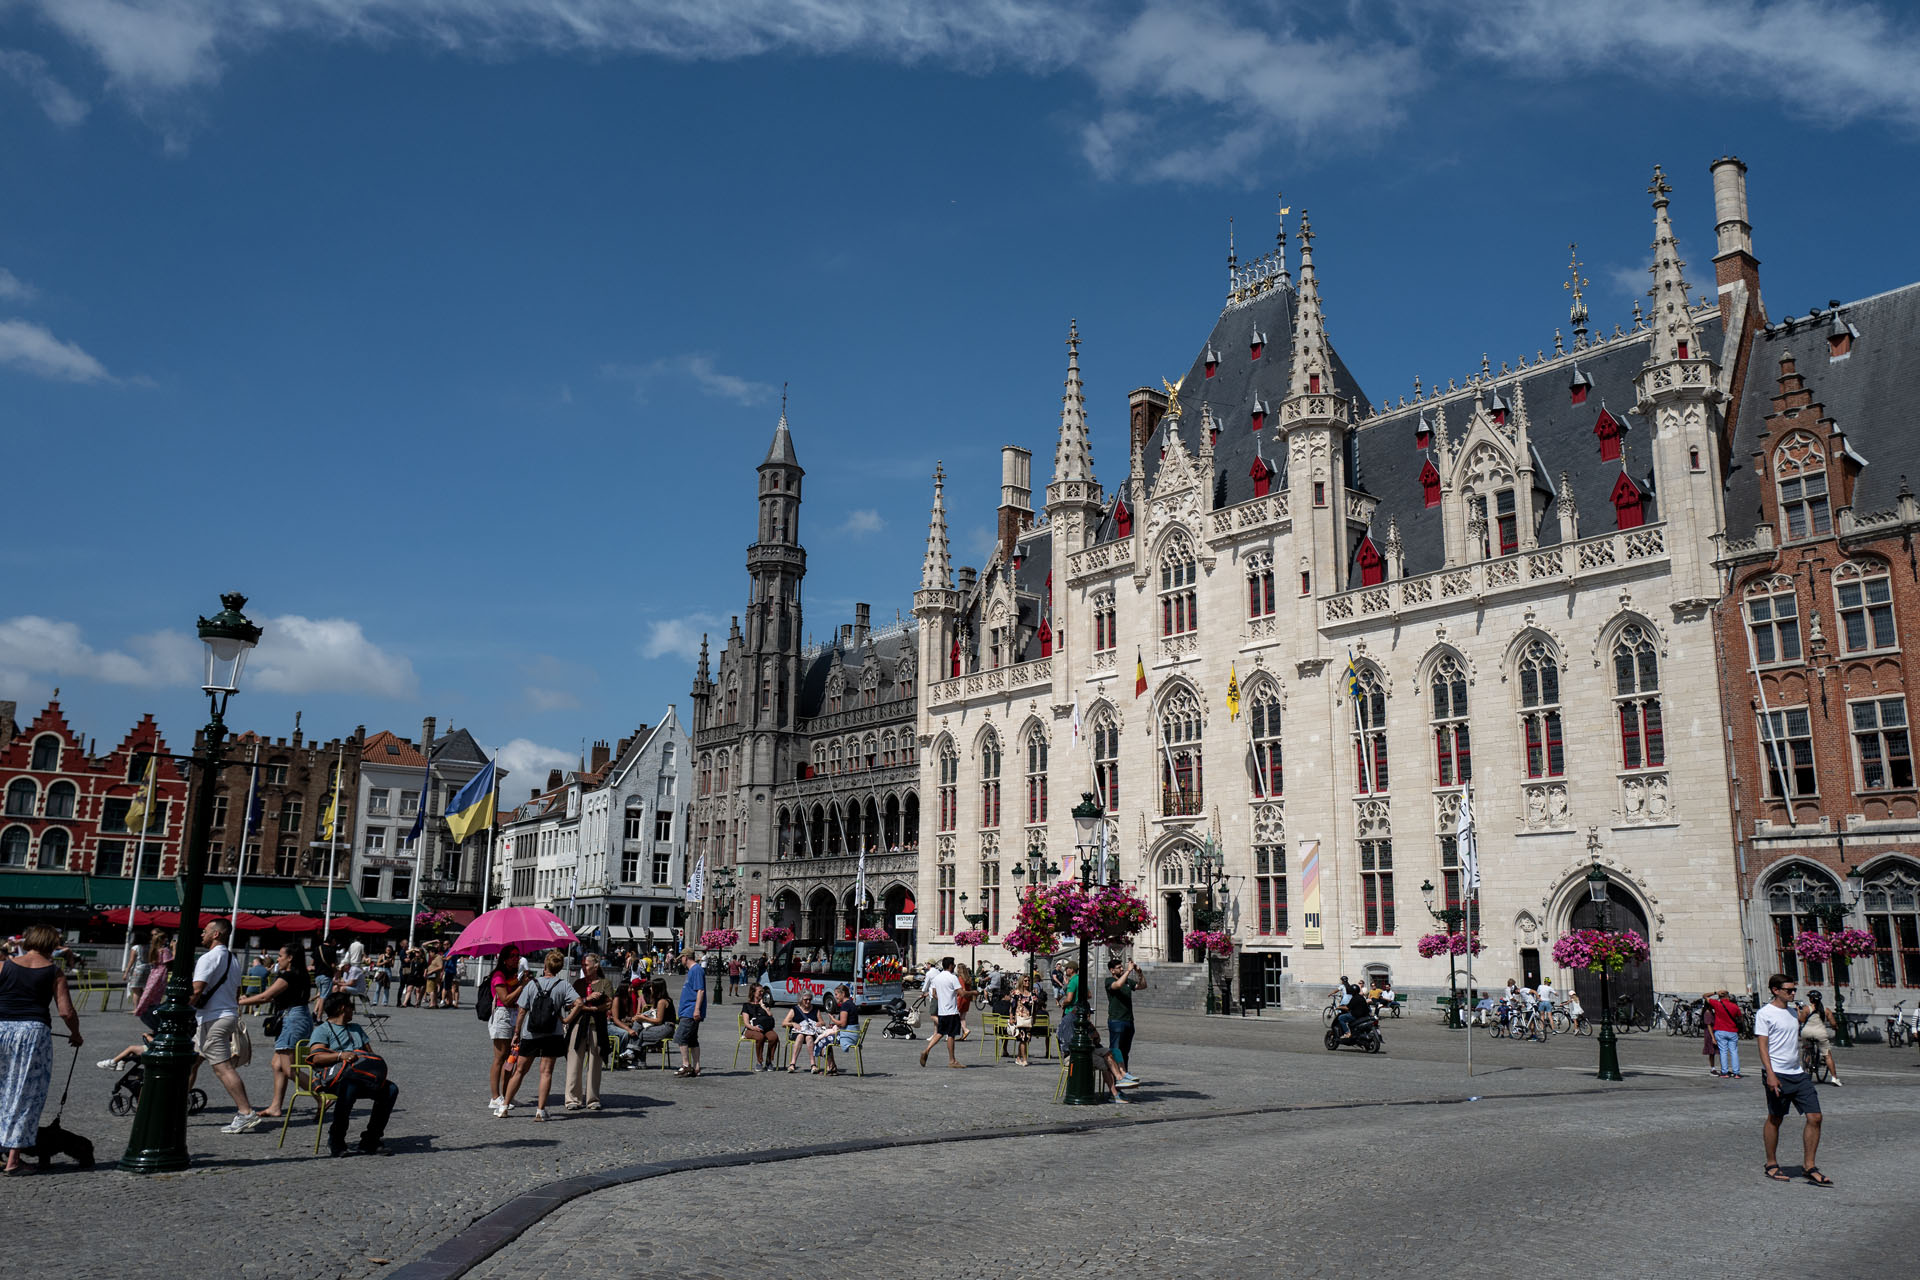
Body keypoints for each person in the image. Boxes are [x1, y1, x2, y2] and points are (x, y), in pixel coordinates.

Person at [0, 924, 82, 1175]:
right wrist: (76, 1034)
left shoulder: (4, 966)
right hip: (33, 1034)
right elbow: (66, 1012)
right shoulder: (53, 972)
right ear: (52, 944)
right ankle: (13, 1160)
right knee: (26, 1094)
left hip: (1, 1028)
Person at [192, 919, 266, 1133]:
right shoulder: (232, 959)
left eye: (205, 931)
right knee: (192, 1063)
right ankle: (177, 1106)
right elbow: (236, 991)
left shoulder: (208, 958)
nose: (202, 934)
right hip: (224, 1015)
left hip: (213, 1018)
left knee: (222, 1068)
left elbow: (196, 990)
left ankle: (246, 1112)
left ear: (216, 934)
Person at [1756, 973, 1830, 1186]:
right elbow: (1763, 1046)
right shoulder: (1764, 1014)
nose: (1793, 993)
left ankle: (1809, 1166)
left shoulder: (1792, 1012)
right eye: (1789, 990)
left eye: (1794, 989)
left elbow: (1797, 1030)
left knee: (1815, 1116)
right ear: (1775, 990)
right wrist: (1770, 1074)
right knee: (1775, 1118)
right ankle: (1771, 1163)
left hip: (1797, 1073)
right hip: (1777, 1073)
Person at [308, 993, 396, 1157]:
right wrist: (341, 1055)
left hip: (360, 1077)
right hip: (335, 1079)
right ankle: (336, 1138)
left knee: (390, 1089)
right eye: (351, 1006)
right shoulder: (322, 1030)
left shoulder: (356, 1028)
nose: (353, 1010)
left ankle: (371, 1139)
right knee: (350, 1087)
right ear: (343, 1008)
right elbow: (316, 1058)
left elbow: (369, 1054)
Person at [236, 944, 313, 1118]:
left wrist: (239, 1002)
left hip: (292, 1019)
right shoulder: (301, 974)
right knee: (277, 1064)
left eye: (280, 956)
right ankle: (275, 1107)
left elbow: (266, 996)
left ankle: (320, 1094)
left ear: (290, 958)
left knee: (289, 1069)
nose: (278, 959)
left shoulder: (289, 975)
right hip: (298, 1017)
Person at [499, 949, 575, 1121]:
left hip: (531, 1033)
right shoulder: (563, 985)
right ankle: (540, 1111)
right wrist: (566, 1019)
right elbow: (577, 1002)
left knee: (519, 1070)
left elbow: (521, 1011)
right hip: (553, 1033)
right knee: (546, 1072)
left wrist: (516, 1033)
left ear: (545, 965)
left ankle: (504, 1107)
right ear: (559, 968)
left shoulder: (532, 984)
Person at [564, 953, 614, 1111]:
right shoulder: (578, 983)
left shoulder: (605, 983)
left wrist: (594, 1008)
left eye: (586, 964)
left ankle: (593, 1098)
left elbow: (609, 1003)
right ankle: (572, 1098)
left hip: (596, 1025)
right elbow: (570, 1003)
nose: (584, 968)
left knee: (595, 1061)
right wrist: (588, 1001)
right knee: (574, 1060)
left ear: (596, 966)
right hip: (579, 1024)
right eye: (582, 965)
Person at [485, 946, 527, 1110]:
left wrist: (523, 983)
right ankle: (495, 1097)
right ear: (504, 959)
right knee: (500, 1057)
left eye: (518, 955)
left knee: (511, 1057)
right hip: (502, 1015)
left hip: (513, 1015)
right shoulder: (498, 975)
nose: (516, 958)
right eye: (512, 956)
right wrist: (521, 986)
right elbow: (506, 999)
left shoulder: (514, 976)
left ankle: (507, 1095)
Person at [918, 957, 965, 1069]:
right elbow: (962, 993)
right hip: (951, 1011)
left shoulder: (937, 978)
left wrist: (942, 999)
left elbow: (934, 993)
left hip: (942, 1011)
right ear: (950, 965)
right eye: (953, 964)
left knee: (940, 1033)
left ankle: (926, 1050)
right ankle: (952, 1060)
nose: (954, 966)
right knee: (951, 1035)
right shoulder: (953, 977)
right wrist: (973, 992)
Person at [617, 978, 675, 1065]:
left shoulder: (662, 1002)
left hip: (666, 1027)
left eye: (652, 987)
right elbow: (652, 1014)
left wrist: (643, 1018)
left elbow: (659, 1021)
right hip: (660, 1026)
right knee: (638, 1027)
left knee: (639, 1034)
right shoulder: (657, 1000)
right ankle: (636, 1059)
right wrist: (642, 1016)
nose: (650, 989)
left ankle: (633, 1054)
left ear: (657, 988)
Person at [1106, 958, 1143, 1086]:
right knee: (1116, 1049)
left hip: (1128, 1020)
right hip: (1116, 1020)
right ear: (1112, 970)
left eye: (1122, 967)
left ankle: (1124, 1075)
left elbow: (1142, 986)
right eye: (1119, 967)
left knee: (1125, 1051)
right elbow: (1117, 985)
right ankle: (1118, 1076)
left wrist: (1139, 973)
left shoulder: (1127, 981)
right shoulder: (1109, 981)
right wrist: (1128, 971)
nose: (1121, 969)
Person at [674, 949, 707, 1077]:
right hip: (687, 1009)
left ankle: (686, 1065)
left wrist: (697, 1009)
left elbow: (700, 990)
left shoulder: (696, 970)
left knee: (681, 1036)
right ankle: (696, 1067)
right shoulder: (692, 971)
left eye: (681, 958)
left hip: (690, 1010)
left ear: (686, 957)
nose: (681, 961)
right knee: (692, 1039)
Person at [1802, 990, 1844, 1086]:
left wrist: (1798, 1011)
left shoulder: (1807, 1009)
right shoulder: (1826, 1010)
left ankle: (1806, 1069)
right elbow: (1833, 1023)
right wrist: (1835, 1027)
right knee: (1827, 1055)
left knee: (1808, 1050)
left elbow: (1801, 1020)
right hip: (1820, 1033)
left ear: (1811, 999)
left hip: (1806, 1033)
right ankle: (1834, 1078)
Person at [132, 931, 172, 1031]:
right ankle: (153, 1011)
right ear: (163, 940)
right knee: (157, 994)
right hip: (161, 973)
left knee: (148, 992)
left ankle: (141, 1008)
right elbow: (169, 961)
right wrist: (174, 949)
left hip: (153, 972)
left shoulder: (154, 950)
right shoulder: (165, 950)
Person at [819, 983, 859, 1075]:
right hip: (854, 1034)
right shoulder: (851, 1004)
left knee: (823, 1040)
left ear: (843, 994)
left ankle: (831, 1066)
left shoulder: (845, 1006)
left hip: (848, 1035)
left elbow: (842, 1023)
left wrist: (833, 1019)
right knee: (826, 1038)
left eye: (836, 994)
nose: (835, 996)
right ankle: (832, 1066)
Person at [738, 985, 780, 1071]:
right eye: (760, 991)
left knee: (774, 1037)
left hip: (765, 1028)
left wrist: (763, 1006)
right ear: (753, 992)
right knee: (760, 1037)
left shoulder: (765, 1004)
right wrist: (754, 1028)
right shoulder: (747, 1006)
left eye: (762, 991)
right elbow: (746, 1023)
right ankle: (759, 1062)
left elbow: (770, 1015)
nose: (762, 993)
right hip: (750, 1029)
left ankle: (769, 1061)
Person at [783, 992, 825, 1072]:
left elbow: (823, 1022)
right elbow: (784, 1023)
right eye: (806, 1000)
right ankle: (792, 1064)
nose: (808, 1001)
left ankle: (813, 1064)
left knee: (809, 1037)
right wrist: (793, 1023)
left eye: (810, 999)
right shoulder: (795, 1009)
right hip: (797, 1032)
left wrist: (819, 1023)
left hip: (811, 1033)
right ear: (801, 1000)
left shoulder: (815, 1009)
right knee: (800, 1036)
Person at [1708, 989, 1745, 1078]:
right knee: (1734, 1051)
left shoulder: (1717, 1004)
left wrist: (1715, 992)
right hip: (1732, 1031)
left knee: (1723, 1051)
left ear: (1719, 996)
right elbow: (1741, 1018)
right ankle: (1736, 1072)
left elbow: (1704, 996)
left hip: (1720, 1030)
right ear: (1728, 997)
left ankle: (1724, 1072)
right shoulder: (1734, 1006)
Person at [1008, 977, 1038, 1067]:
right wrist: (1011, 1018)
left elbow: (1035, 1007)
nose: (1027, 982)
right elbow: (1012, 1006)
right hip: (1019, 1018)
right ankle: (1024, 1059)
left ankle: (1018, 1057)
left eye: (1028, 980)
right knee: (1023, 1039)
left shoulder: (1032, 993)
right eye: (1025, 981)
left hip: (1028, 1019)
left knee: (1025, 1040)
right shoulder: (1017, 993)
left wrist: (1034, 1018)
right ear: (1022, 982)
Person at [122, 934, 150, 1007]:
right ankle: (143, 1006)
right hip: (148, 968)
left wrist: (126, 972)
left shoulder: (135, 947)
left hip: (138, 969)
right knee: (143, 989)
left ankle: (136, 1008)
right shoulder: (149, 947)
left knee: (136, 990)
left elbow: (131, 960)